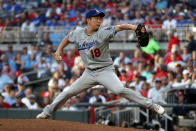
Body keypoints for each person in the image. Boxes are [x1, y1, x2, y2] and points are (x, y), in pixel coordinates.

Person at [36, 9, 165, 119]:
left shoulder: (103, 32)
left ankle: (152, 105)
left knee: (119, 89)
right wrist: (59, 50)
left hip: (105, 71)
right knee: (68, 92)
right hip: (89, 73)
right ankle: (47, 112)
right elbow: (68, 38)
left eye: (100, 18)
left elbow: (119, 27)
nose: (99, 20)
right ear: (88, 20)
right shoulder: (78, 33)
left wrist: (135, 28)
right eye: (96, 18)